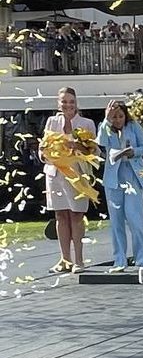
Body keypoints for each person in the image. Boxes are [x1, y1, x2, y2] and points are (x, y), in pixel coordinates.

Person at [40, 87, 98, 273]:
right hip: (55, 174)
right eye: (64, 101)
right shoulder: (51, 122)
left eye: (71, 101)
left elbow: (94, 151)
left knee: (76, 215)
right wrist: (44, 153)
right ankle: (65, 259)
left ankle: (79, 260)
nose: (68, 105)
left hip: (77, 175)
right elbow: (44, 147)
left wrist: (78, 146)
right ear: (58, 103)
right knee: (60, 215)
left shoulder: (87, 123)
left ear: (76, 103)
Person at [96, 100, 143, 272]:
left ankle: (142, 257)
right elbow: (100, 141)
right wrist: (107, 119)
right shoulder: (105, 127)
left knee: (134, 217)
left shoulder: (134, 126)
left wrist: (134, 152)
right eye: (114, 117)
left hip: (133, 175)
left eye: (120, 116)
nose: (118, 120)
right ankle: (119, 259)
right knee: (116, 220)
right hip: (113, 178)